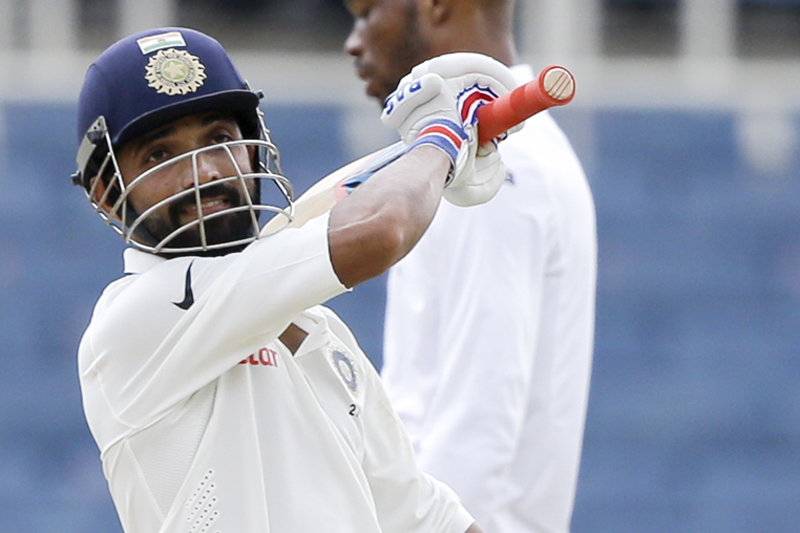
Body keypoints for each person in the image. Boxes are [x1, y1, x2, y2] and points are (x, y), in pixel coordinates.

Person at [72, 26, 521, 533]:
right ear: (109, 194)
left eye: (219, 139)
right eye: (160, 155)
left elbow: (422, 517)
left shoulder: (322, 333)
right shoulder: (137, 320)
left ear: (253, 149)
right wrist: (440, 141)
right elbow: (381, 231)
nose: (203, 171)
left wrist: (432, 151)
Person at [343, 1, 598, 532]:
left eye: (367, 12)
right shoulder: (506, 152)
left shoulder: (491, 164)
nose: (354, 41)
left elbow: (476, 429)